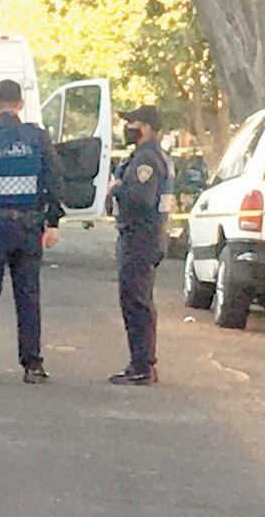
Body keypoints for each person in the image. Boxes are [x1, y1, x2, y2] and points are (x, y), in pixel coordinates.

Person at [0, 79, 65, 384]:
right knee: (28, 295)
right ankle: (32, 364)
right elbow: (55, 178)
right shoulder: (37, 137)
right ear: (20, 104)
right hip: (29, 226)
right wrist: (53, 221)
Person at [108, 105, 174, 386]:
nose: (128, 128)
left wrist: (117, 188)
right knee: (137, 299)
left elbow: (140, 197)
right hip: (146, 236)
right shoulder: (153, 156)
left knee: (136, 301)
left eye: (132, 122)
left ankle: (142, 366)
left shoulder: (147, 158)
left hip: (140, 237)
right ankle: (141, 363)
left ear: (146, 127)